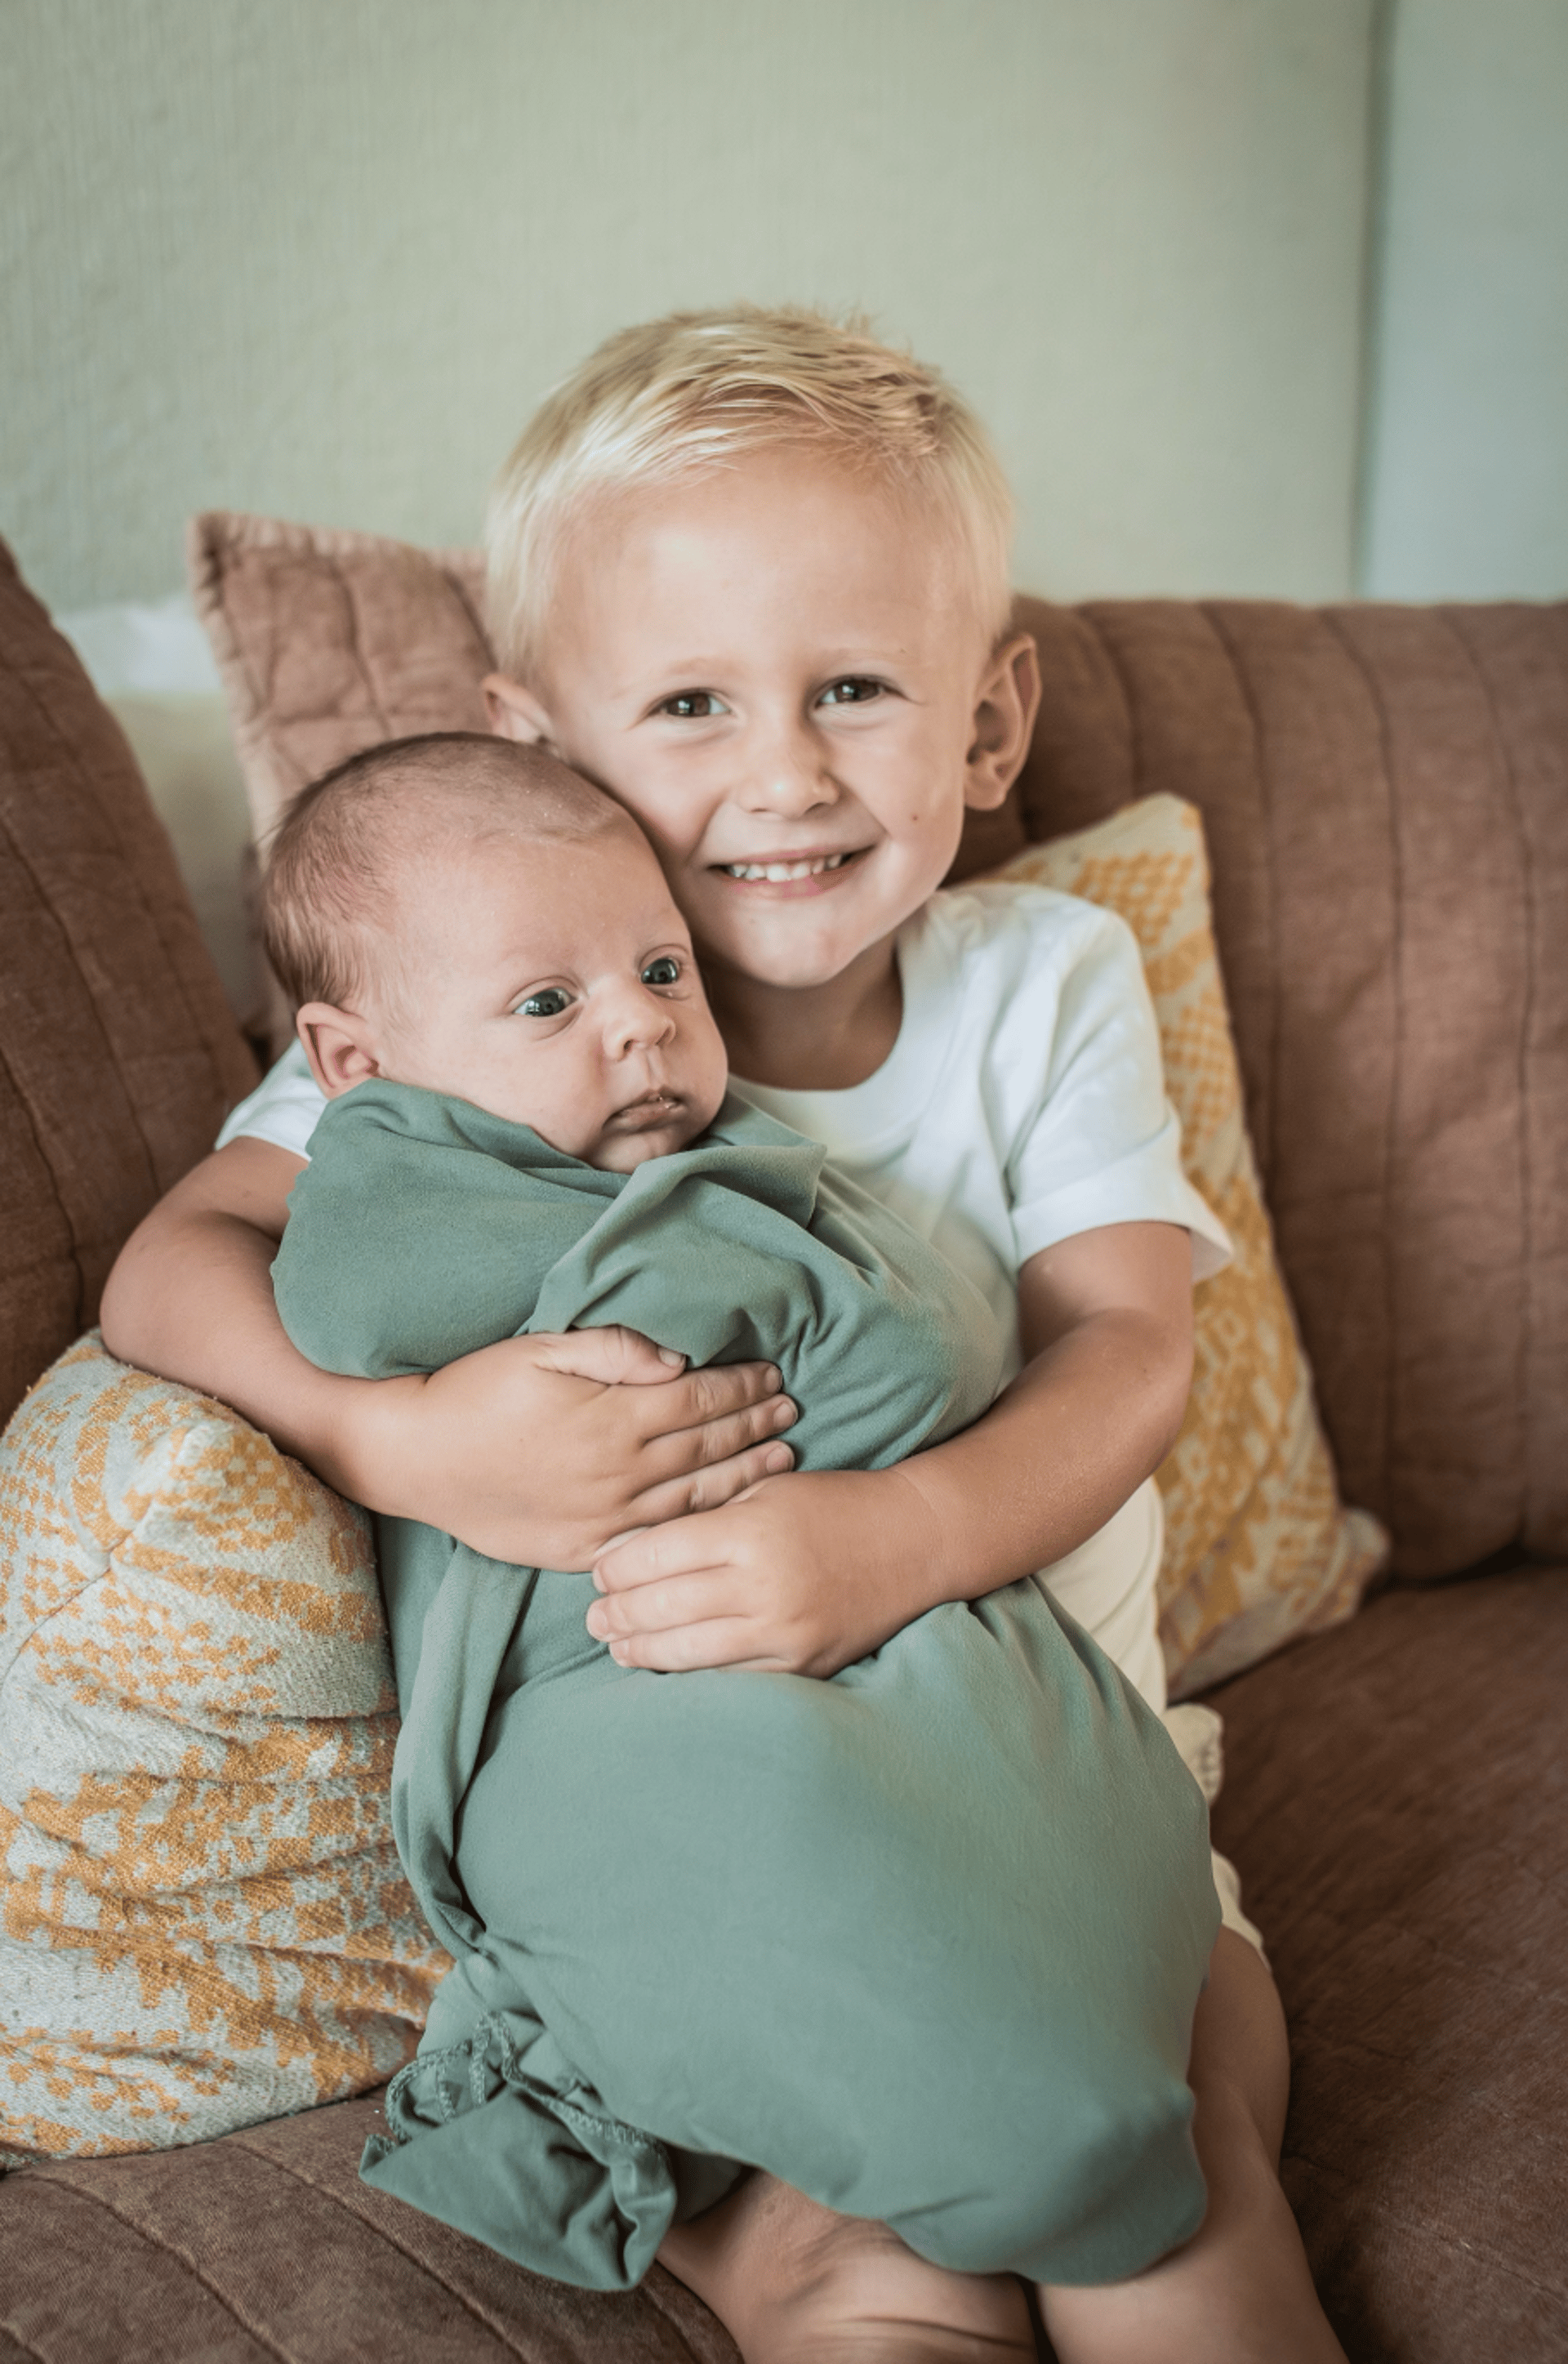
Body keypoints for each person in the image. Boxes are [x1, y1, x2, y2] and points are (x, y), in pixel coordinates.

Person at [102, 306, 1348, 2362]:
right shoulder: (481, 1028)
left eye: (856, 688)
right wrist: (398, 1441)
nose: (783, 773)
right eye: (690, 702)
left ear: (987, 723)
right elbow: (174, 1265)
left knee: (1184, 2174)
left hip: (1072, 1779)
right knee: (890, 2264)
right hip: (714, 1824)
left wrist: (895, 1542)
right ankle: (785, 2245)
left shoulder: (1037, 981)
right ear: (543, 744)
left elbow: (1129, 1349)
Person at [260, 728, 1218, 2294]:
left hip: (866, 1617)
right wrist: (417, 1434)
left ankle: (1065, 2093)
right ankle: (1028, 2132)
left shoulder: (745, 1140)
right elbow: (292, 1279)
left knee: (1029, 1808)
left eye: (661, 971)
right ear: (357, 1066)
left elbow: (963, 1348)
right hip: (619, 1692)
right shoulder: (395, 1180)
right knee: (756, 1830)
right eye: (553, 1004)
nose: (638, 1027)